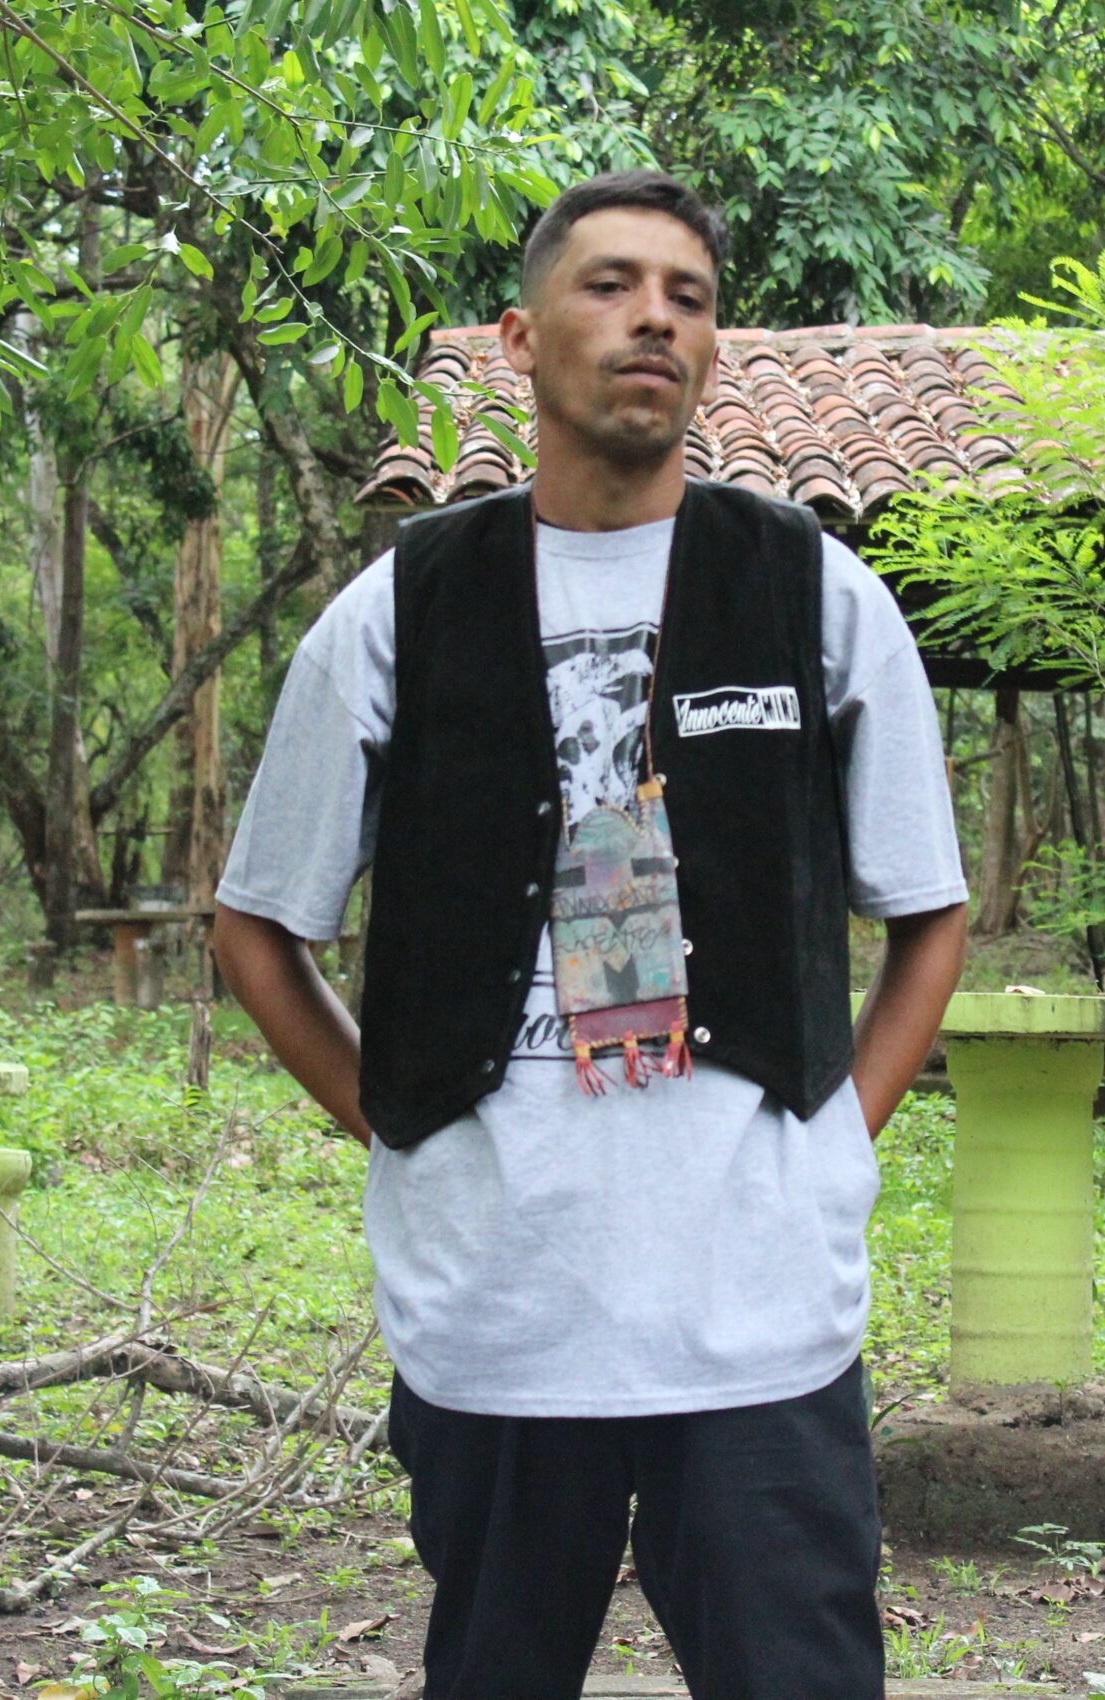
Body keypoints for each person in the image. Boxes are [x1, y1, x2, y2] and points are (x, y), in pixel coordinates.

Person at [211, 167, 967, 1700]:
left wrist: (838, 1143)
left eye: (686, 299)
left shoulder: (812, 592)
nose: (652, 321)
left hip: (756, 1321)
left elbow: (928, 912)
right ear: (518, 338)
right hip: (498, 1308)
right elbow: (255, 925)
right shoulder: (397, 609)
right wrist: (398, 1124)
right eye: (610, 285)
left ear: (710, 351)